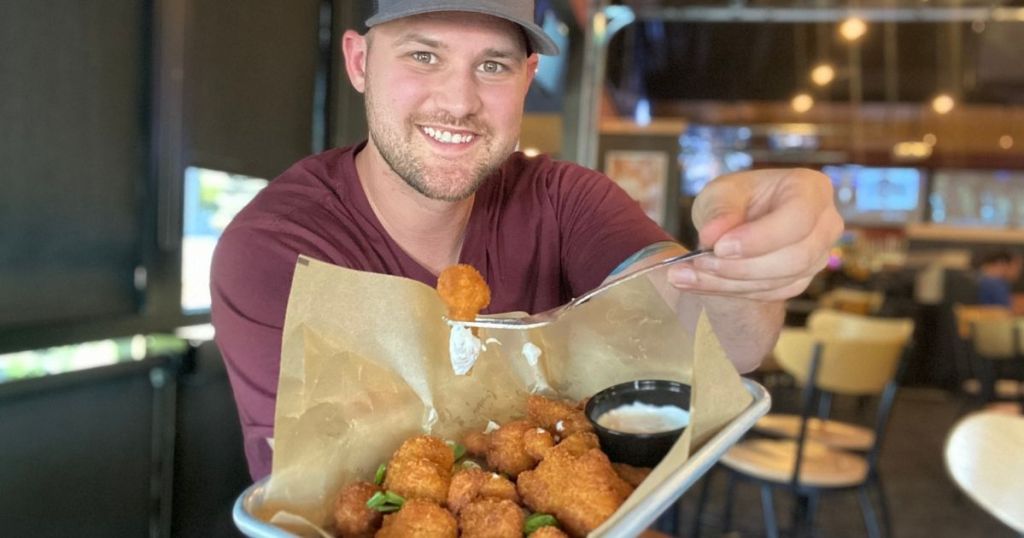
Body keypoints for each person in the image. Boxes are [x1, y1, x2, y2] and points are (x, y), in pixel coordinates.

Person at [210, 0, 844, 481]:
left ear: (527, 77)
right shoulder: (276, 249)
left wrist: (742, 253)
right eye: (423, 56)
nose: (457, 102)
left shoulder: (564, 199)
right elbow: (323, 498)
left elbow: (729, 346)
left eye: (492, 65)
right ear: (358, 62)